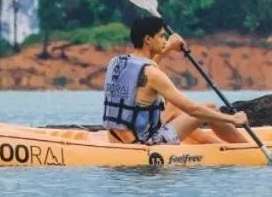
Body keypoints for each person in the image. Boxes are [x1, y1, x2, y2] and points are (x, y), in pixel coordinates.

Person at [101, 15, 251, 145]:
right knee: (210, 108)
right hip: (144, 143)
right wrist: (232, 119)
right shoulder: (153, 74)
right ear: (148, 40)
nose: (165, 39)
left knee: (172, 107)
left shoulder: (117, 63)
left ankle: (215, 145)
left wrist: (169, 47)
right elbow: (192, 109)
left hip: (115, 138)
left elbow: (143, 74)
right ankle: (246, 148)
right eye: (161, 36)